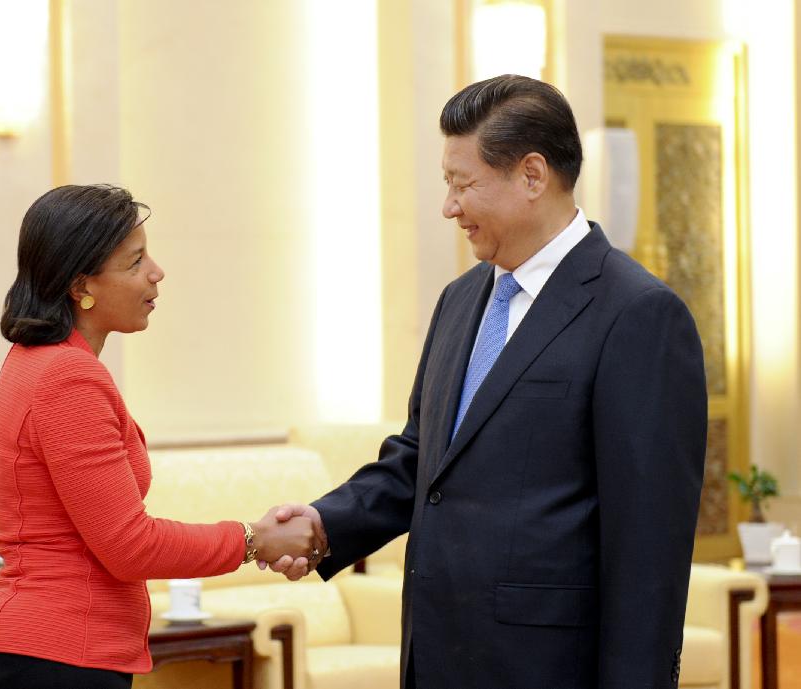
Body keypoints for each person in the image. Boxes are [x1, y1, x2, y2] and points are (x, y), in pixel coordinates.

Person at [270, 75, 707, 689]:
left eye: (462, 184)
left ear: (532, 175)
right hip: (436, 658)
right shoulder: (459, 300)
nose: (449, 207)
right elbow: (422, 462)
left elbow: (648, 546)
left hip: (547, 669)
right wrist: (324, 524)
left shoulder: (638, 314)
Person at [0, 184, 315, 689]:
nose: (157, 272)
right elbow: (130, 546)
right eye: (135, 262)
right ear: (81, 285)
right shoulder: (66, 377)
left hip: (49, 651)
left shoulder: (41, 362)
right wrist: (253, 539)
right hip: (57, 657)